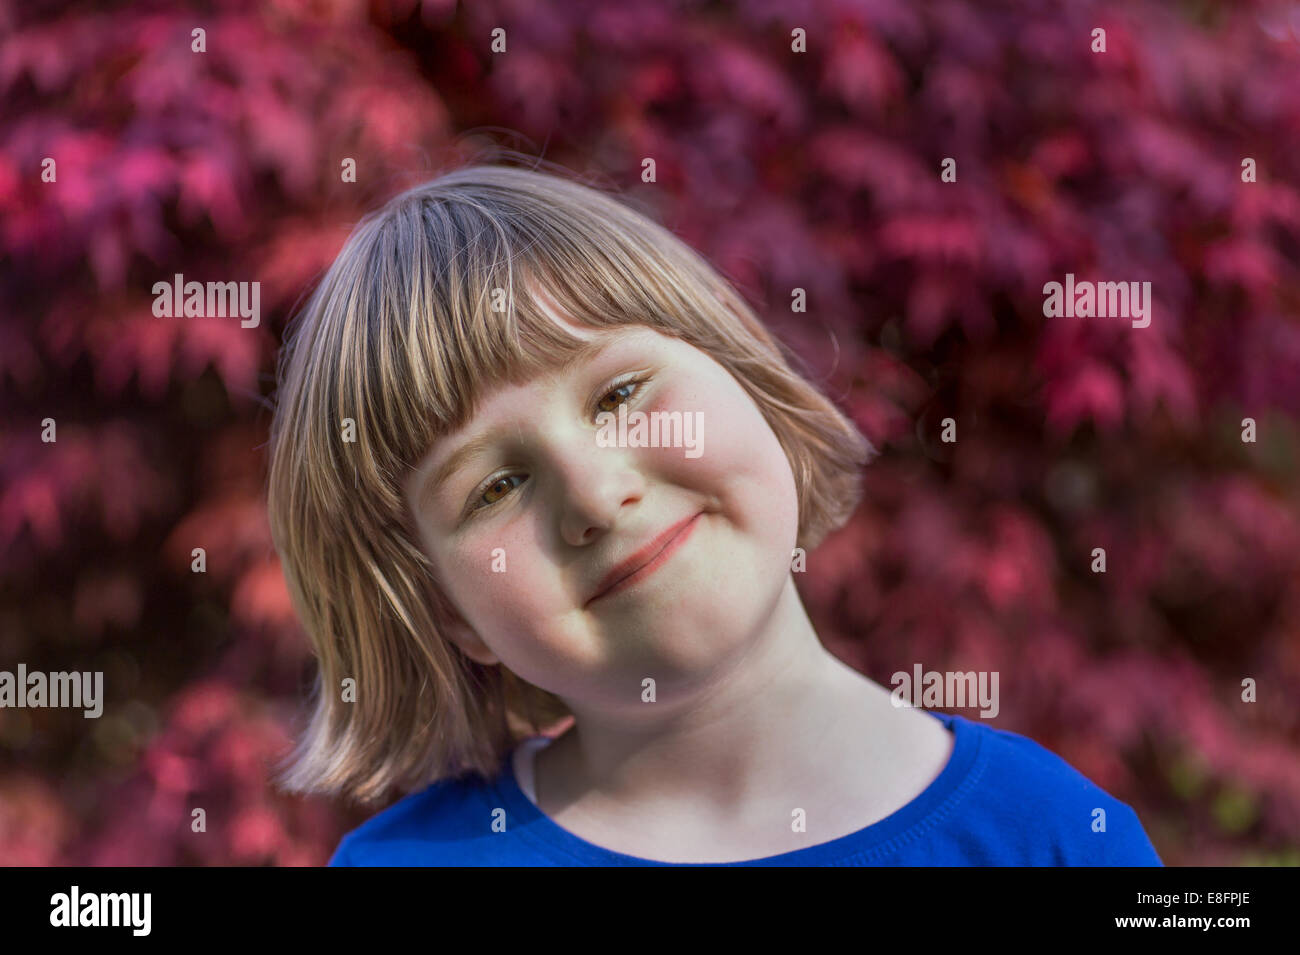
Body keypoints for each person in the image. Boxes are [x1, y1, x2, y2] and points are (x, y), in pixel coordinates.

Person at [266, 159, 1163, 866]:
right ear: (451, 610)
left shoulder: (1057, 840)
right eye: (494, 487)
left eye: (619, 392)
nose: (594, 493)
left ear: (752, 386)